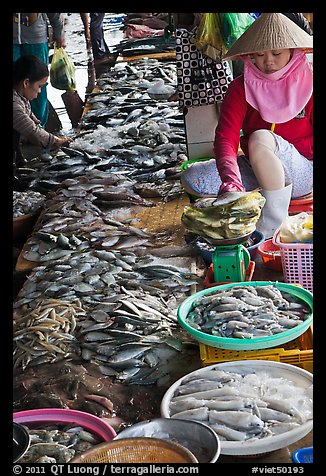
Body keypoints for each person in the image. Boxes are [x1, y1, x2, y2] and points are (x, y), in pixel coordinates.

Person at [180, 13, 313, 239]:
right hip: (257, 166)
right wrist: (231, 181)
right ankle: (258, 195)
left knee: (261, 137)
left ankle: (271, 223)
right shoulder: (241, 88)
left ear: (293, 50)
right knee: (192, 178)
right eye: (259, 54)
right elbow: (226, 138)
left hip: (302, 171)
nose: (268, 61)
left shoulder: (310, 82)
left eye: (277, 53)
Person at [13, 55, 73, 172]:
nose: (40, 91)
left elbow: (31, 118)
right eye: (39, 86)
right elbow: (32, 131)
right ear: (26, 83)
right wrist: (55, 141)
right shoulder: (14, 104)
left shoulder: (20, 97)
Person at [13, 13, 66, 128]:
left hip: (36, 38)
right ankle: (18, 130)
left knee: (38, 84)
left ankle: (38, 128)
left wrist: (59, 32)